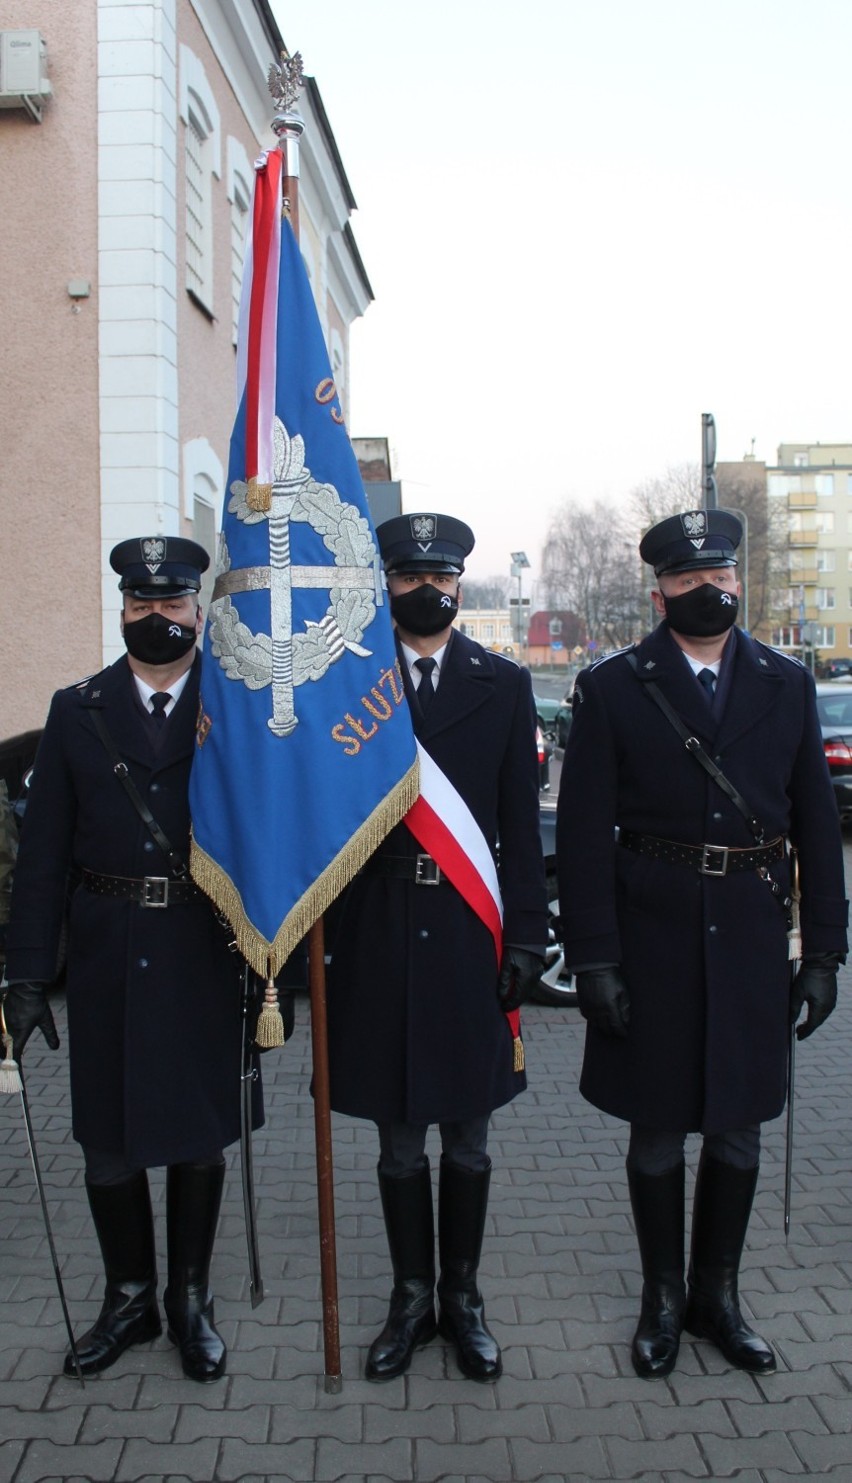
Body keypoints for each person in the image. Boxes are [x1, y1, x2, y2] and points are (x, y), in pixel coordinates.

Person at [556, 508, 847, 1380]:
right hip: (654, 937)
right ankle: (662, 1301)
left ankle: (719, 1296)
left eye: (719, 577)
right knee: (656, 1134)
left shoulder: (784, 682)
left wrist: (825, 952)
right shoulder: (615, 686)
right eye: (687, 581)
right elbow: (581, 836)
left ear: (736, 582)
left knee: (738, 1134)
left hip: (754, 937)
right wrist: (596, 958)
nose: (708, 592)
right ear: (660, 592)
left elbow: (818, 829)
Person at [2, 536, 265, 1383]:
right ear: (122, 610)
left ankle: (189, 1299)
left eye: (173, 602)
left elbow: (267, 847)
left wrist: (275, 972)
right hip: (110, 954)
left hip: (201, 949)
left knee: (199, 1137)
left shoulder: (238, 707)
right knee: (107, 1143)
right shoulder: (76, 710)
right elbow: (39, 862)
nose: (157, 617)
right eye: (140, 603)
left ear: (198, 610)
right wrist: (23, 975)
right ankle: (129, 1297)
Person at [325, 512, 548, 1382]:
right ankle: (408, 1298)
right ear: (387, 584)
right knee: (395, 1143)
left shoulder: (503, 683)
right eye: (411, 577)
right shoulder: (354, 683)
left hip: (466, 937)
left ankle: (465, 1298)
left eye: (442, 578)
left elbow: (521, 836)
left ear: (460, 585)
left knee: (469, 1140)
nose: (428, 591)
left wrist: (526, 937)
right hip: (376, 935)